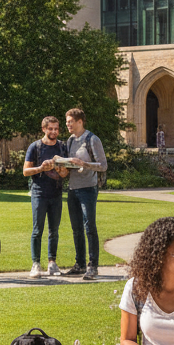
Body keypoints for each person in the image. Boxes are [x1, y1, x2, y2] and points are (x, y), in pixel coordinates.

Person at [23, 115, 70, 278]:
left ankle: (52, 263)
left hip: (56, 193)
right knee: (37, 230)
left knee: (54, 231)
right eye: (50, 129)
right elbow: (25, 171)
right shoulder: (35, 147)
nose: (54, 132)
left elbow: (65, 173)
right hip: (39, 193)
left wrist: (59, 169)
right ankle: (35, 263)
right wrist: (41, 168)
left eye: (56, 129)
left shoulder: (62, 147)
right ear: (44, 129)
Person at [64, 108, 108, 280]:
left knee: (89, 227)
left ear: (80, 122)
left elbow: (103, 165)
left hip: (88, 188)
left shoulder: (92, 139)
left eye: (70, 122)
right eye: (67, 122)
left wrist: (84, 163)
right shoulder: (70, 141)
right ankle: (80, 264)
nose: (67, 125)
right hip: (73, 188)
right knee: (76, 229)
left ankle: (93, 266)